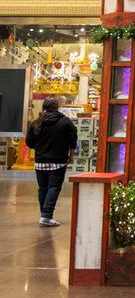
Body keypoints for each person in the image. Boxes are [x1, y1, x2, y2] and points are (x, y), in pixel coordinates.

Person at [25, 97, 77, 227]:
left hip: (40, 162)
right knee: (53, 187)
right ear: (57, 107)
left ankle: (44, 215)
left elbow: (29, 142)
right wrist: (71, 153)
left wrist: (39, 148)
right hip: (58, 162)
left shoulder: (36, 123)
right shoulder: (65, 122)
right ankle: (46, 216)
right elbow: (73, 138)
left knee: (43, 188)